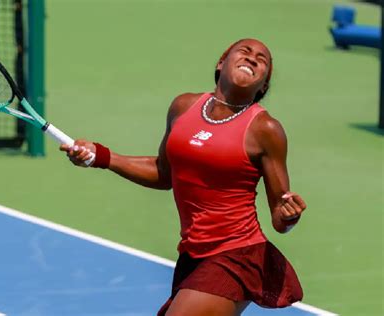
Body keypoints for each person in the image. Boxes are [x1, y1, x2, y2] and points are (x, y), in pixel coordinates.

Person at [60, 38, 307, 316]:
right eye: (245, 51)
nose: (252, 58)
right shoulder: (183, 107)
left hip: (237, 254)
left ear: (263, 86)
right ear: (221, 63)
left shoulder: (266, 129)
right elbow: (164, 173)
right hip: (192, 254)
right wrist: (102, 157)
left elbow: (279, 213)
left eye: (262, 60)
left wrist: (288, 216)